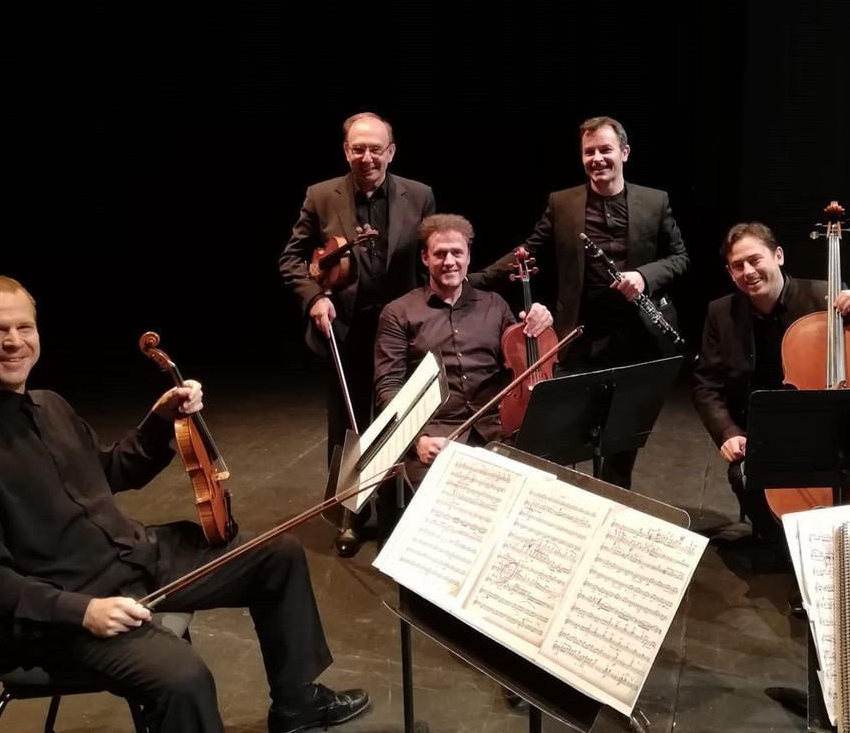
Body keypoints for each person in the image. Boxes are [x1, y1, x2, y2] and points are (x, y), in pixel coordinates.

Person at [0, 275, 370, 733]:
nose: (15, 342)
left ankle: (296, 705)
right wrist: (84, 612)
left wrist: (160, 420)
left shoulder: (50, 406)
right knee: (183, 678)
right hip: (63, 613)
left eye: (24, 328)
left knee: (278, 555)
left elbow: (109, 472)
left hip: (134, 558)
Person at [469, 115, 688, 489]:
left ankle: (613, 501)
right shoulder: (563, 203)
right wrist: (471, 279)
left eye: (605, 150)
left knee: (620, 437)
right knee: (569, 433)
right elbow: (528, 249)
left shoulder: (655, 201)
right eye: (589, 152)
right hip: (579, 336)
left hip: (636, 338)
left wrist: (644, 276)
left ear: (625, 152)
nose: (597, 158)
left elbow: (680, 257)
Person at [691, 222, 850, 546]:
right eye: (738, 266)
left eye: (755, 259)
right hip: (765, 434)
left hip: (831, 430)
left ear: (778, 255)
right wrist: (728, 431)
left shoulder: (829, 299)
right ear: (729, 272)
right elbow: (705, 384)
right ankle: (786, 549)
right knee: (743, 474)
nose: (748, 271)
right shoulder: (721, 312)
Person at [278, 111, 435, 555]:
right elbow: (291, 259)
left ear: (391, 151)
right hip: (344, 327)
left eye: (376, 148)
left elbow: (428, 256)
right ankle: (350, 514)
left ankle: (394, 511)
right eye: (357, 148)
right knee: (349, 425)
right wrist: (315, 298)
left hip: (400, 328)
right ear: (346, 150)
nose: (367, 157)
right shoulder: (321, 195)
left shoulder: (419, 194)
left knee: (397, 418)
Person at [374, 214, 553, 485]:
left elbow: (524, 358)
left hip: (496, 429)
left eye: (457, 253)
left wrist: (540, 319)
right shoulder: (398, 313)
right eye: (440, 254)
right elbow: (389, 387)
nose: (449, 262)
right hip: (435, 434)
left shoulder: (495, 305)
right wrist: (416, 439)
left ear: (468, 257)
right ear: (425, 258)